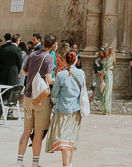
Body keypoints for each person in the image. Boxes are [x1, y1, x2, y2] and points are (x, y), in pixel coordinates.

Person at [15, 33, 56, 167]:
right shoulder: (49, 58)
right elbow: (49, 79)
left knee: (26, 131)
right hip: (41, 99)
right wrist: (57, 80)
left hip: (28, 97)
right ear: (54, 45)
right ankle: (35, 163)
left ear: (43, 42)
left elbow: (24, 72)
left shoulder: (32, 55)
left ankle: (19, 162)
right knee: (38, 133)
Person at [47, 49, 87, 166]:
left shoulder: (60, 74)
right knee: (71, 138)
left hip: (62, 110)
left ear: (65, 60)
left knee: (63, 138)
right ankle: (69, 164)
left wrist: (53, 101)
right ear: (76, 60)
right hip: (76, 110)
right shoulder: (81, 73)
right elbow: (82, 91)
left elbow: (54, 93)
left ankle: (65, 165)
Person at [98, 47, 115, 114]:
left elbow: (107, 68)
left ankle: (107, 109)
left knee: (107, 91)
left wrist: (102, 76)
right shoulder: (107, 58)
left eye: (107, 50)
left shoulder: (110, 58)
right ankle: (106, 108)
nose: (105, 51)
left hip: (108, 75)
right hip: (106, 74)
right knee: (105, 92)